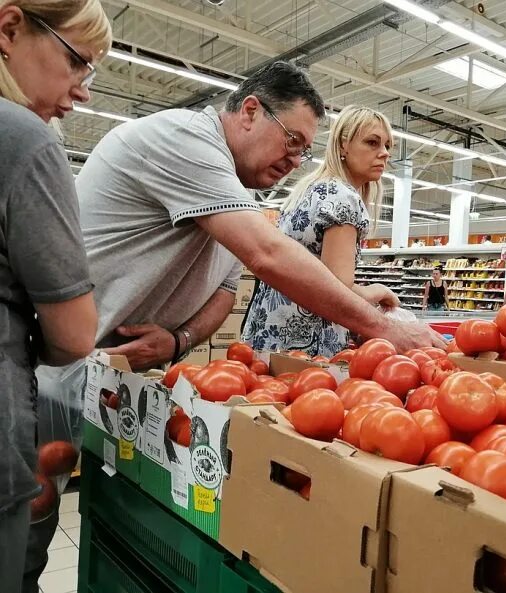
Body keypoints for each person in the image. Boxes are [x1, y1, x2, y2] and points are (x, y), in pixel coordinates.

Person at [32, 61, 443, 585]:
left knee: (52, 524)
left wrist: (178, 338)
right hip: (50, 362)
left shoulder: (237, 192)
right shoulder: (184, 138)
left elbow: (225, 293)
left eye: (303, 152)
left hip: (106, 375)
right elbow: (266, 254)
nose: (294, 161)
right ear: (250, 111)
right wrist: (386, 329)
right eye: (291, 141)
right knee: (23, 528)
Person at [0, 1, 109, 590]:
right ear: (10, 27)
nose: (82, 91)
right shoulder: (24, 139)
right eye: (77, 63)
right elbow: (73, 333)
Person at [241, 106, 397, 357]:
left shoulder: (311, 188)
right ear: (343, 145)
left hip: (267, 332)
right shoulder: (343, 198)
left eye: (388, 146)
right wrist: (379, 290)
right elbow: (338, 290)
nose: (384, 153)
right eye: (372, 142)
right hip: (305, 347)